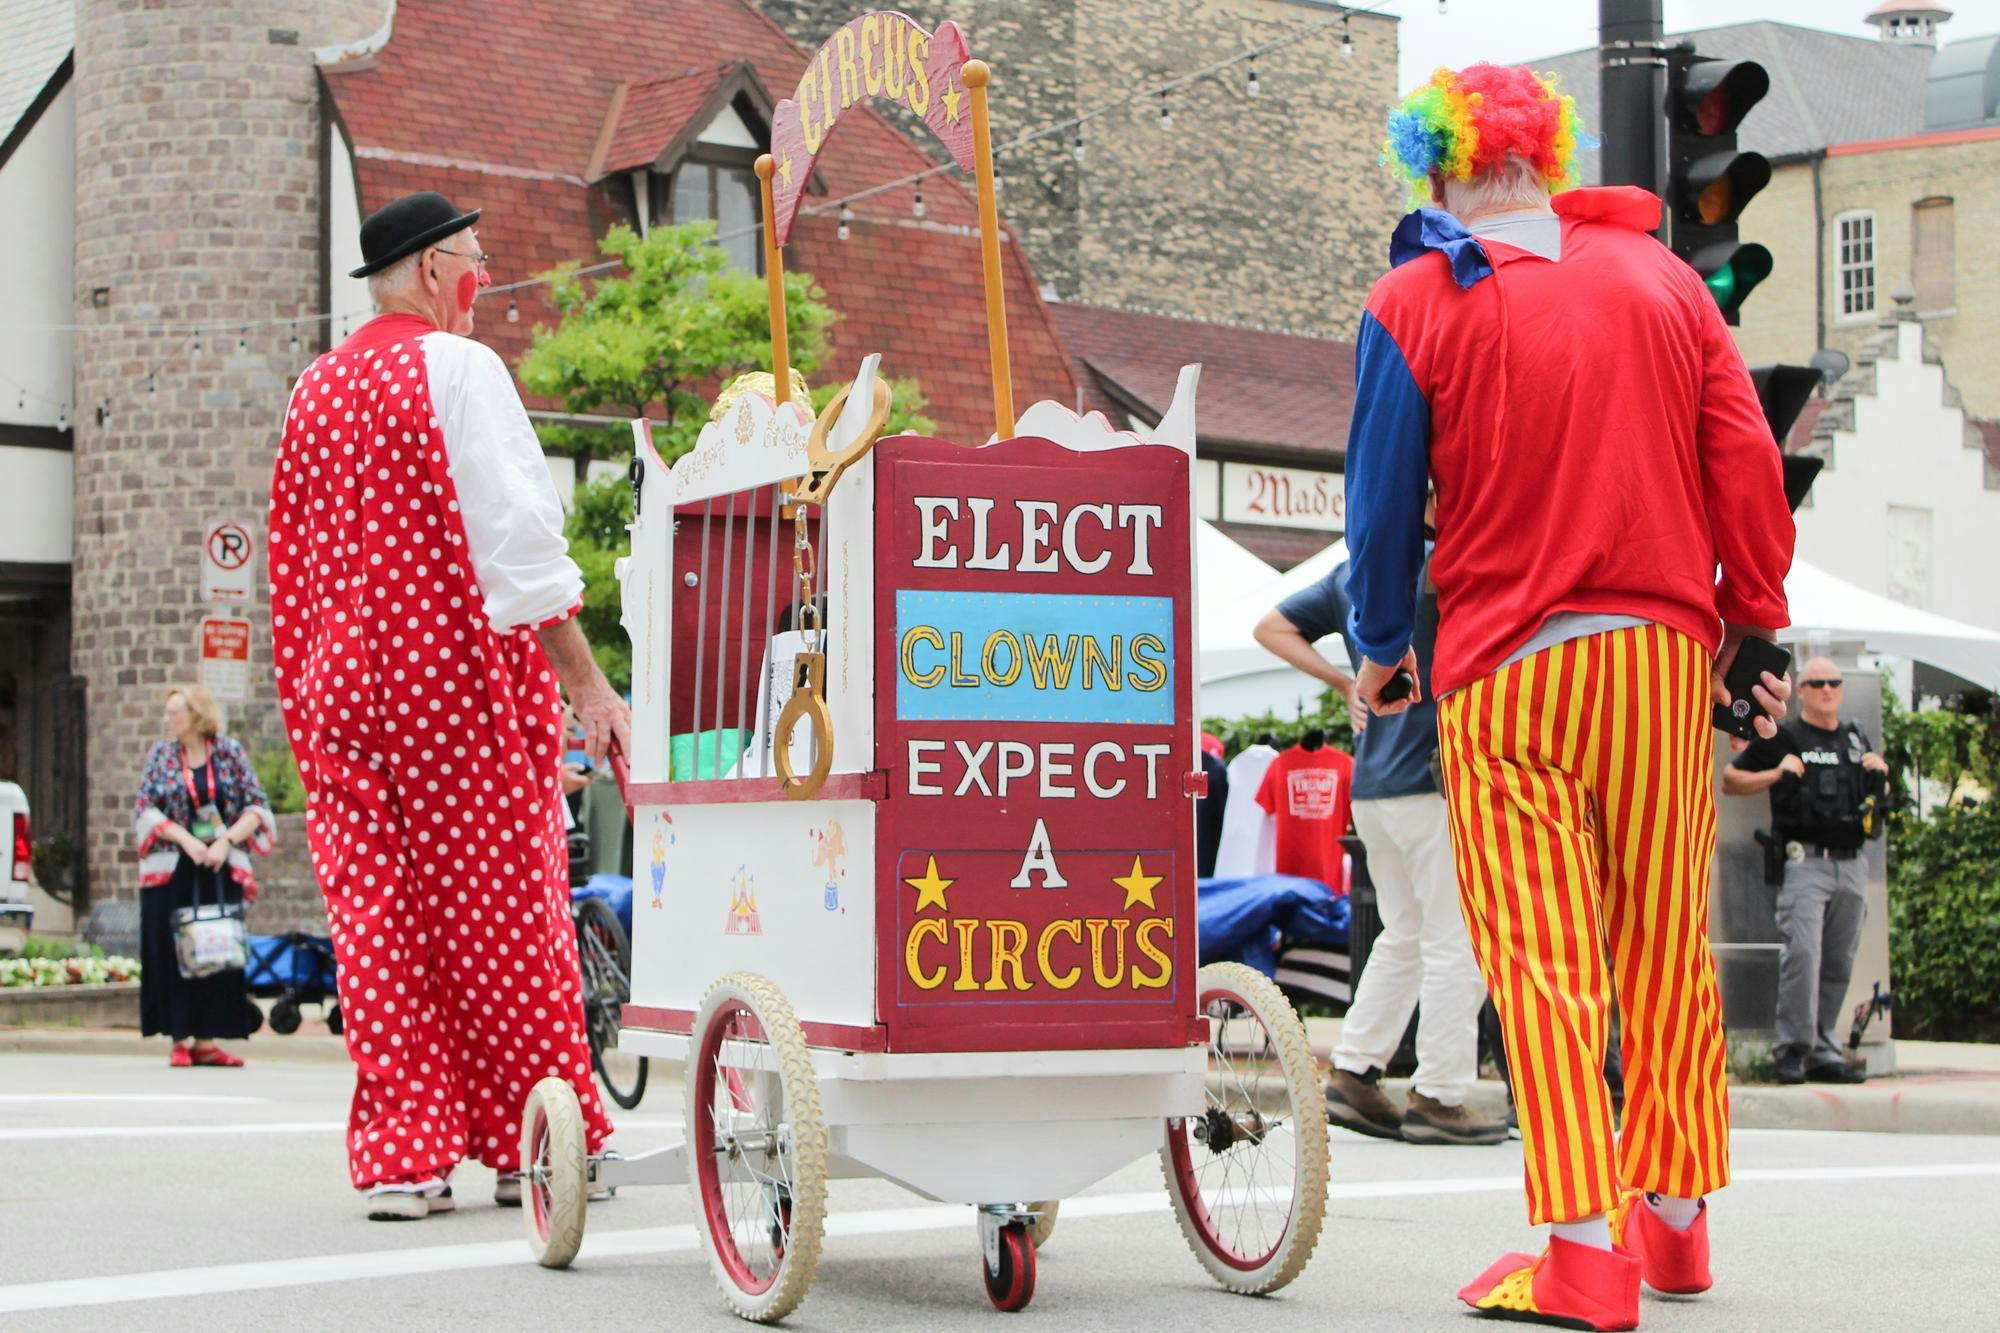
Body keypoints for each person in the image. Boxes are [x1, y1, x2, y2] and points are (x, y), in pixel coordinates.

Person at [1343, 66, 1795, 1329]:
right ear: (1545, 158)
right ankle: (1677, 1225)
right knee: (1662, 943)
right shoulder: (1665, 283)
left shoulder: (1409, 300)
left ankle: (1578, 1252)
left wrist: (1382, 644)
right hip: (1655, 656)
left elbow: (1378, 509)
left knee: (1543, 960)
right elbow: (1743, 455)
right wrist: (1751, 606)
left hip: (1502, 667)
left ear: (1432, 169)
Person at [270, 191, 632, 1221]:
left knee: (378, 919)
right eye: (477, 263)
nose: (483, 282)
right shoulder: (457, 368)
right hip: (451, 679)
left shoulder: (313, 390)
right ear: (434, 271)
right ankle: (535, 1140)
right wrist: (583, 679)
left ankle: (404, 1154)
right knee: (504, 908)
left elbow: (293, 561)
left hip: (339, 685)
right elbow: (514, 543)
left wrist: (309, 688)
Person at [1254, 538, 1505, 1146]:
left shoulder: (1354, 568)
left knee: (1406, 935)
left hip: (1375, 784)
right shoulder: (1457, 561)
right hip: (1437, 777)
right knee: (1457, 942)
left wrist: (1344, 683)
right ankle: (1439, 1095)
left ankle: (1356, 1071)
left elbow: (1271, 628)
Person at [1723, 658, 1884, 1086]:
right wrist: (1777, 773)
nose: (1827, 689)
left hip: (1851, 863)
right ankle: (1792, 1050)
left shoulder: (1854, 739)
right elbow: (1730, 779)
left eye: (1834, 682)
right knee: (1804, 957)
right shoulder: (1786, 736)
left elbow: (1876, 808)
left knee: (1838, 961)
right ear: (1802, 691)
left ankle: (1822, 1048)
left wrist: (1881, 777)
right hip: (1805, 862)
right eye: (1817, 683)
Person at [132, 685, 276, 1068]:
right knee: (171, 949)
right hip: (172, 867)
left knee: (216, 949)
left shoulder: (229, 753)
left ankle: (207, 1040)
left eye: (173, 712)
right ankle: (178, 1038)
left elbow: (257, 805)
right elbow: (145, 807)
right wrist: (185, 841)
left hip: (217, 864)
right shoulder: (162, 755)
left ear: (195, 715)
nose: (166, 719)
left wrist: (225, 841)